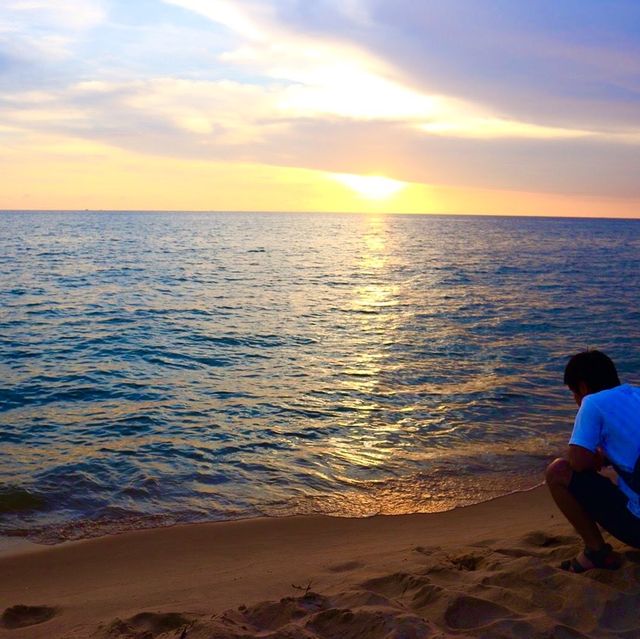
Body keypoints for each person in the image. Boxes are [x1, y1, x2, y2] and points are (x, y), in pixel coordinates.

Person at [546, 350, 640, 572]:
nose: (575, 400)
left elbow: (577, 462)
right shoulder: (636, 394)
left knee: (557, 471)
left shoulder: (592, 403)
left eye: (574, 393)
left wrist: (595, 458)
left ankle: (596, 551)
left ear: (583, 387)